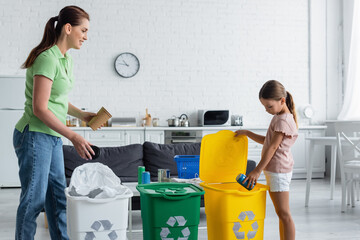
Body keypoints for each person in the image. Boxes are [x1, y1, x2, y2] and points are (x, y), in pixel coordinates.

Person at [13, 6, 97, 240]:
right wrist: (73, 136)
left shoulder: (65, 59)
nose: (86, 37)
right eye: (84, 30)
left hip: (51, 136)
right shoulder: (47, 58)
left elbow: (57, 98)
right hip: (33, 135)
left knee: (58, 198)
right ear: (68, 28)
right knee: (34, 200)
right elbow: (39, 108)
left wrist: (83, 115)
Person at [235, 80, 298, 240]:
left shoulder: (283, 120)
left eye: (269, 106)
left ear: (282, 101)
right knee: (281, 213)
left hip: (279, 172)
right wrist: (248, 133)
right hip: (275, 171)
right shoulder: (279, 117)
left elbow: (272, 148)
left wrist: (256, 170)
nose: (267, 110)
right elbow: (268, 141)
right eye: (264, 107)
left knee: (284, 213)